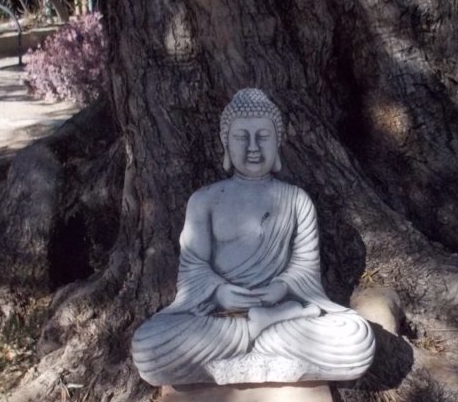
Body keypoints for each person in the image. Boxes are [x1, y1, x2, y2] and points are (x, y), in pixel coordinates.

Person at [131, 88, 375, 386]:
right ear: (225, 142)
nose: (253, 147)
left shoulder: (296, 200)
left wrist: (281, 287)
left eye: (263, 137)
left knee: (356, 338)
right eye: (241, 137)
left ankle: (259, 333)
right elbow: (193, 267)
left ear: (278, 142)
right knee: (147, 347)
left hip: (279, 312)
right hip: (221, 317)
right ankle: (260, 332)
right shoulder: (204, 200)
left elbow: (304, 267)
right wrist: (219, 291)